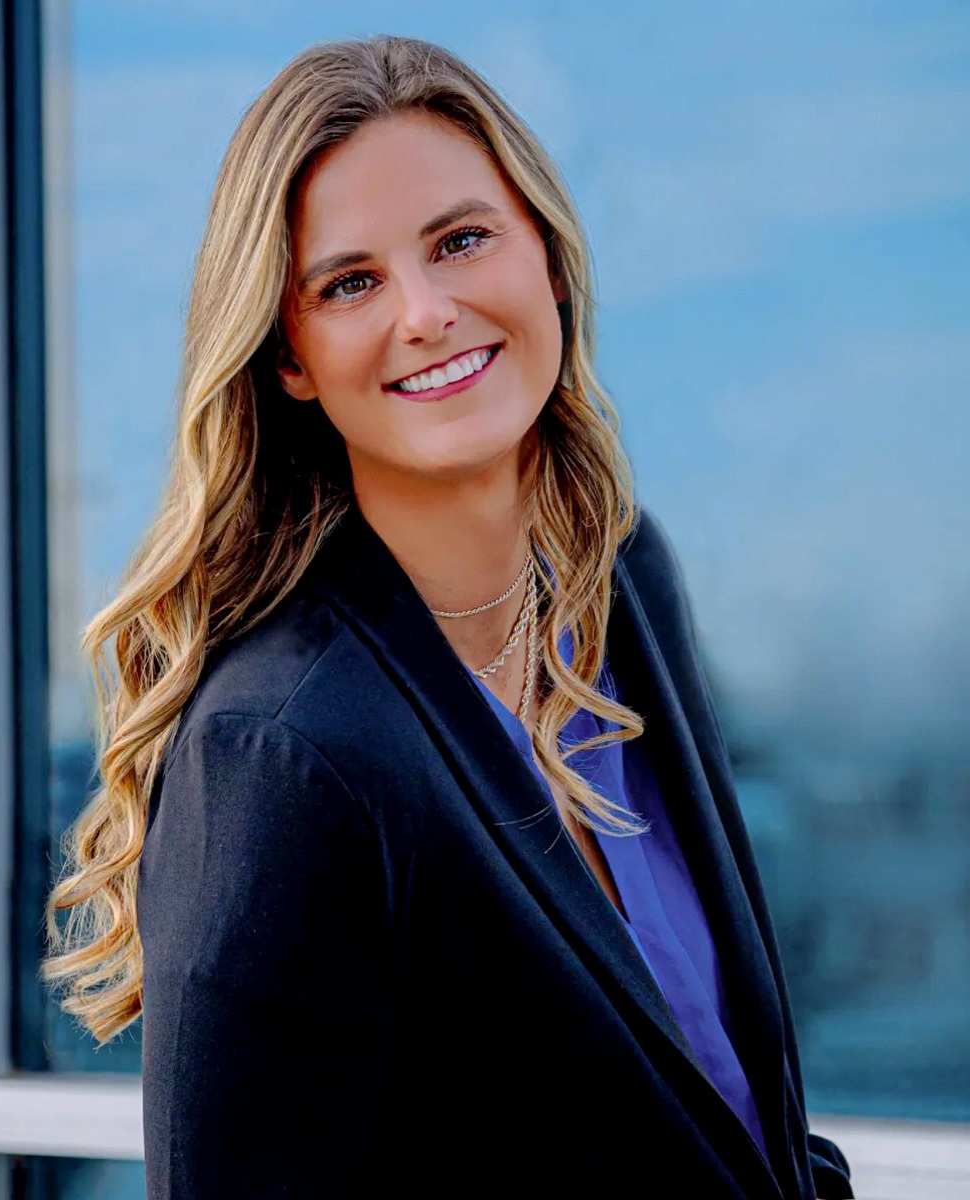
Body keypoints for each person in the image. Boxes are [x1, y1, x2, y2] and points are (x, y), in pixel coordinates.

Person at [42, 33, 854, 1200]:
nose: (426, 312)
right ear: (291, 359)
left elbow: (727, 1111)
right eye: (350, 283)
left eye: (462, 240)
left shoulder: (621, 574)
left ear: (549, 261)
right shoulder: (280, 749)